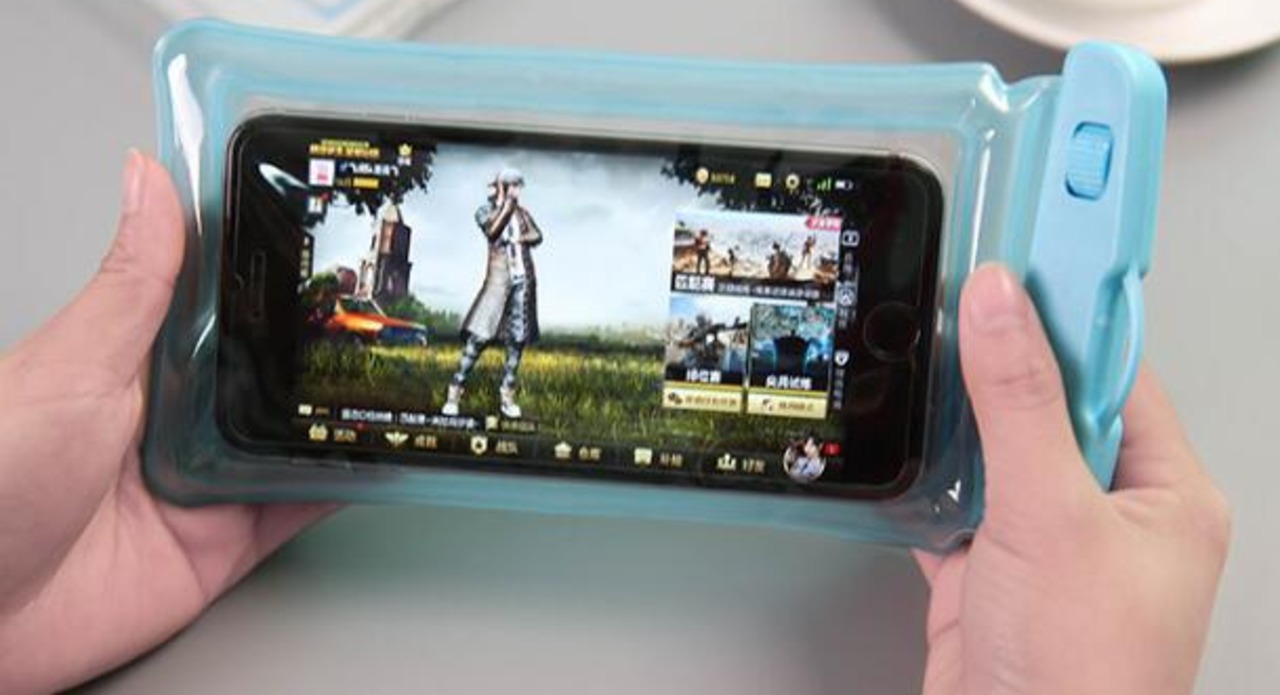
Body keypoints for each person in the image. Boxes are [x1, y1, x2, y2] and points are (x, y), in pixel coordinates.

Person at [0, 154, 1230, 694]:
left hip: (519, 290)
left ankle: (494, 398)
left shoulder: (523, 230)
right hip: (490, 286)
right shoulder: (488, 227)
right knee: (475, 341)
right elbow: (494, 234)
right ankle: (460, 396)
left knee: (513, 353)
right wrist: (494, 212)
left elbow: (529, 236)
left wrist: (517, 216)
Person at [441, 167, 543, 419]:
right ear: (503, 187)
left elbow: (537, 235)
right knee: (478, 339)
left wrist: (518, 238)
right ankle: (454, 392)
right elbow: (493, 231)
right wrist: (505, 206)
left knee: (517, 341)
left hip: (522, 282)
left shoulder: (522, 213)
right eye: (514, 185)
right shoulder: (485, 211)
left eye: (519, 186)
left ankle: (507, 396)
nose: (518, 191)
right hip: (497, 284)